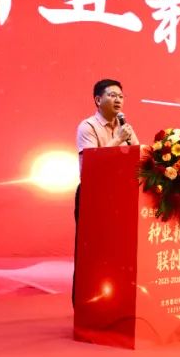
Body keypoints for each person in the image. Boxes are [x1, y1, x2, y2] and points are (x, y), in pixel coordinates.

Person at [72, 79, 139, 304]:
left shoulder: (125, 127)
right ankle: (83, 305)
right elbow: (92, 165)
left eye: (121, 96)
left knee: (115, 252)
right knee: (90, 254)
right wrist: (118, 139)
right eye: (112, 95)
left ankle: (111, 303)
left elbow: (139, 157)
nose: (118, 99)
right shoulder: (88, 127)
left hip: (118, 197)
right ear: (98, 100)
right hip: (93, 196)